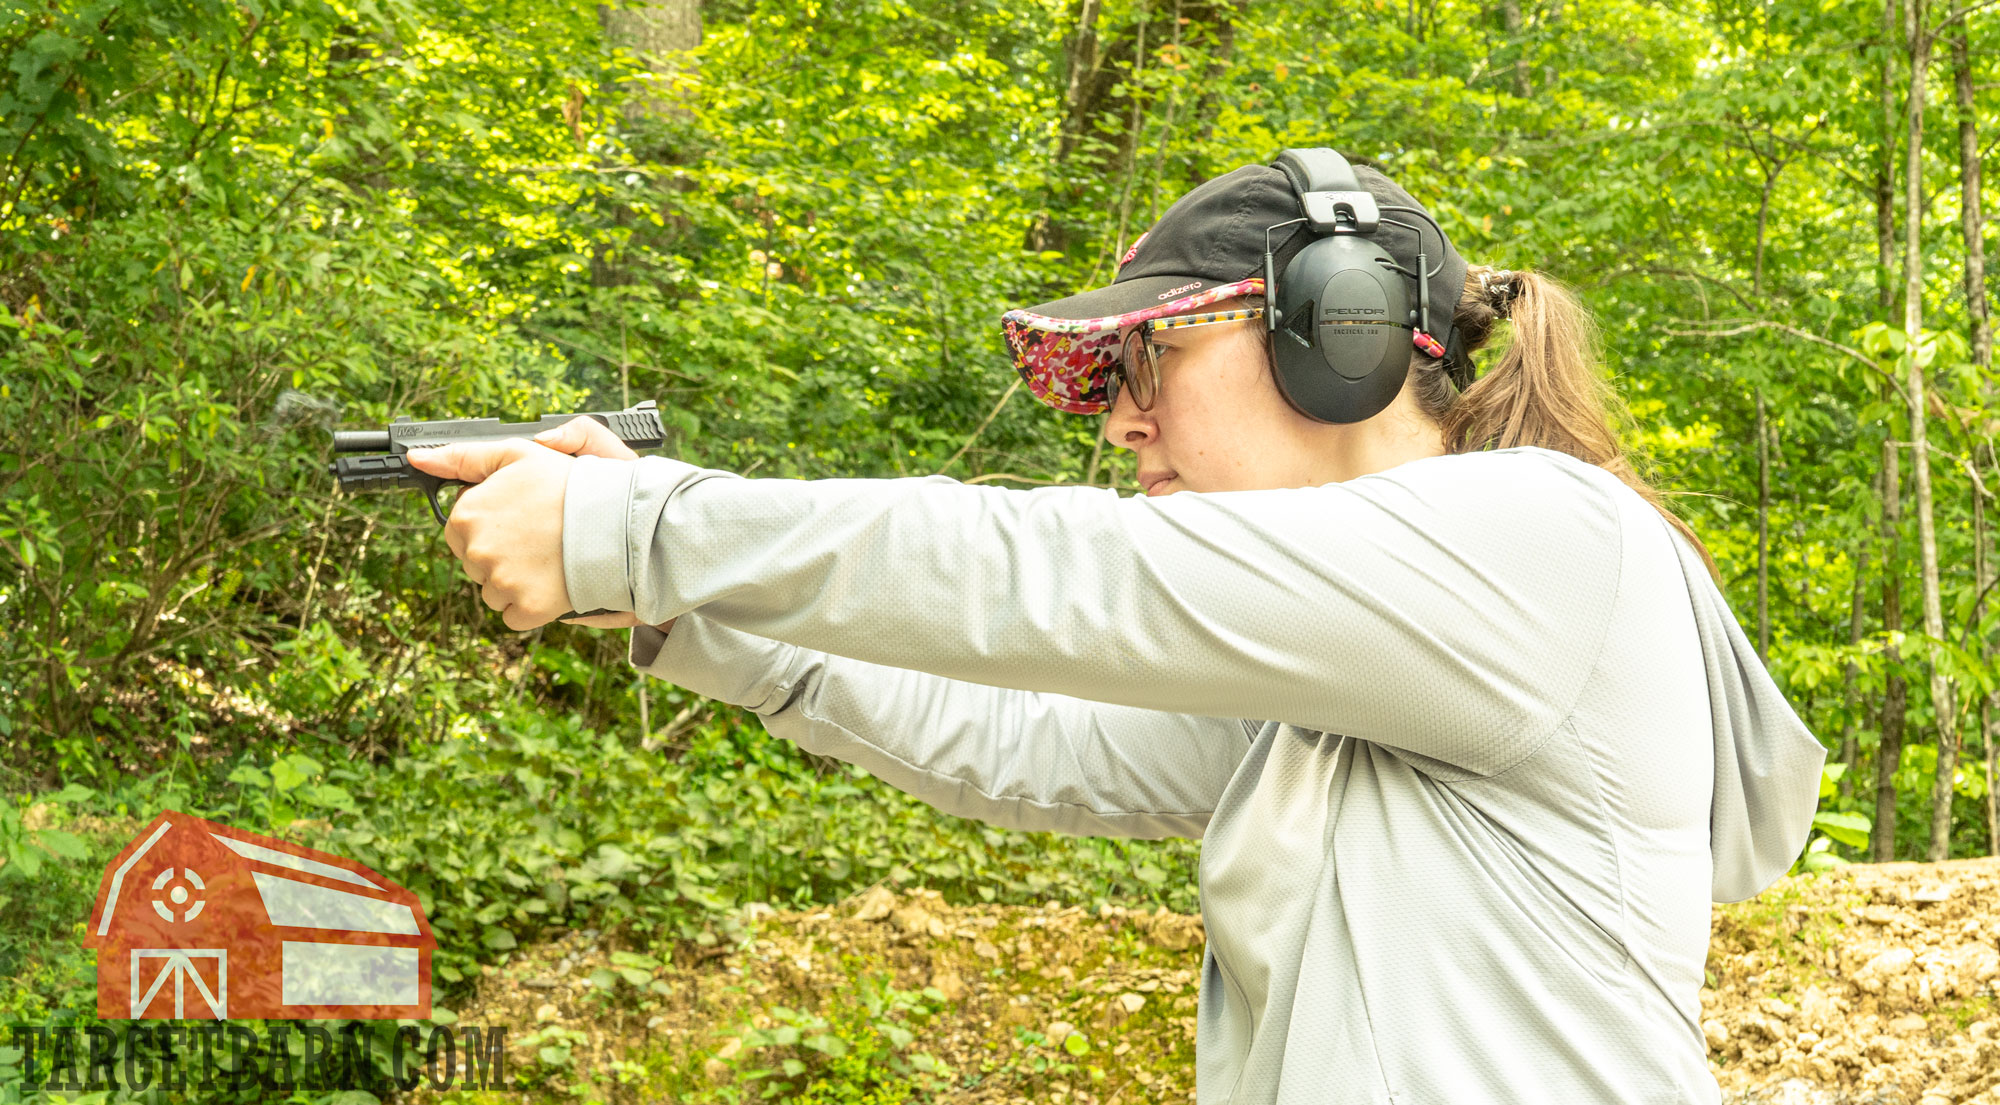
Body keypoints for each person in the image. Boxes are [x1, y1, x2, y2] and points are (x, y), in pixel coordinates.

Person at [407, 151, 1827, 1104]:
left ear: (1333, 336)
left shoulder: (1540, 538)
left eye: (1153, 355)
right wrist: (671, 594)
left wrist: (644, 521)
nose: (1123, 416)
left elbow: (1062, 571)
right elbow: (1020, 740)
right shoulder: (1339, 679)